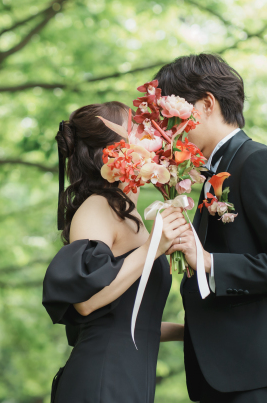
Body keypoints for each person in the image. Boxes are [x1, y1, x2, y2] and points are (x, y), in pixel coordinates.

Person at [160, 54, 267, 403]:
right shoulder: (213, 171)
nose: (168, 132)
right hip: (229, 372)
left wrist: (208, 261)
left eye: (172, 118)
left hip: (262, 371)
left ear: (206, 104)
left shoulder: (258, 163)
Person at [42, 101, 189, 403]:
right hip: (102, 380)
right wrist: (152, 249)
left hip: (130, 379)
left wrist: (189, 332)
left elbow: (125, 320)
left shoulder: (128, 213)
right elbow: (86, 302)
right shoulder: (97, 207)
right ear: (111, 150)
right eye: (136, 129)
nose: (150, 135)